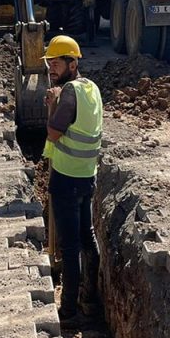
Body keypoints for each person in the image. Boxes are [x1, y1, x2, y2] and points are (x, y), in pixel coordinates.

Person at [42, 35, 103, 321]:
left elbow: (53, 133)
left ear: (72, 63)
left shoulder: (67, 93)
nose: (52, 68)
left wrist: (52, 106)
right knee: (86, 238)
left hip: (66, 178)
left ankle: (67, 311)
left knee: (70, 246)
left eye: (56, 63)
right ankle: (90, 299)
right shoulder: (92, 89)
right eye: (50, 63)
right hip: (87, 175)